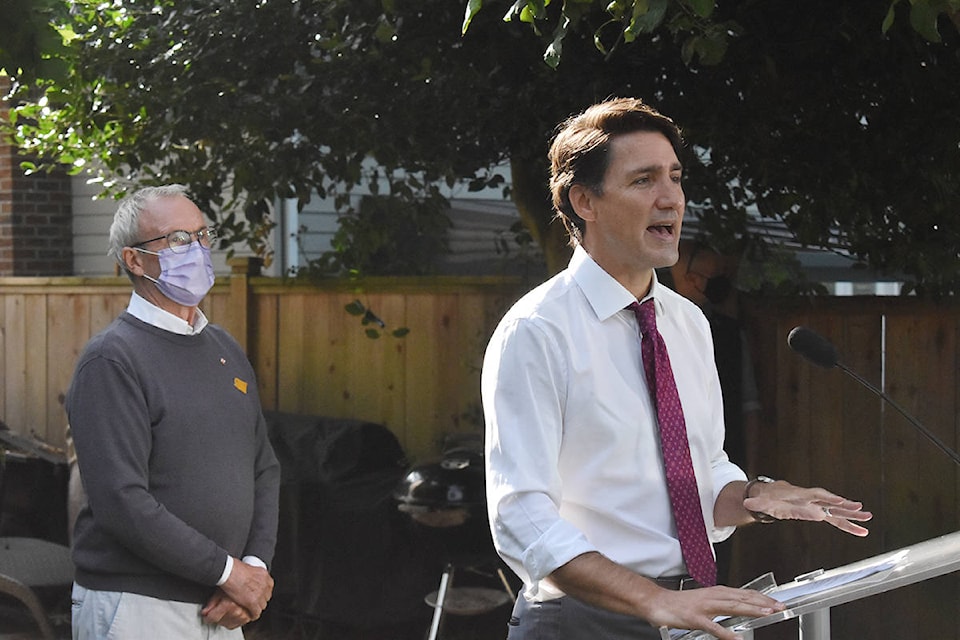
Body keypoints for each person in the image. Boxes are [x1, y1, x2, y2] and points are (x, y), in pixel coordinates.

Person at [480, 98, 872, 640]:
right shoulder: (537, 330)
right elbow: (520, 518)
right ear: (584, 201)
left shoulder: (688, 321)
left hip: (688, 614)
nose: (670, 199)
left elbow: (702, 471)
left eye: (675, 178)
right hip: (583, 623)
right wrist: (651, 600)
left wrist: (756, 498)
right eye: (644, 180)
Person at [66, 184, 281, 639]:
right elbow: (121, 501)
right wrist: (229, 573)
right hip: (140, 607)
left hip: (223, 608)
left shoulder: (223, 348)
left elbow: (263, 466)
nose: (198, 249)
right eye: (178, 240)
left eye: (203, 235)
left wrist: (253, 572)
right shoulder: (112, 359)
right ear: (135, 260)